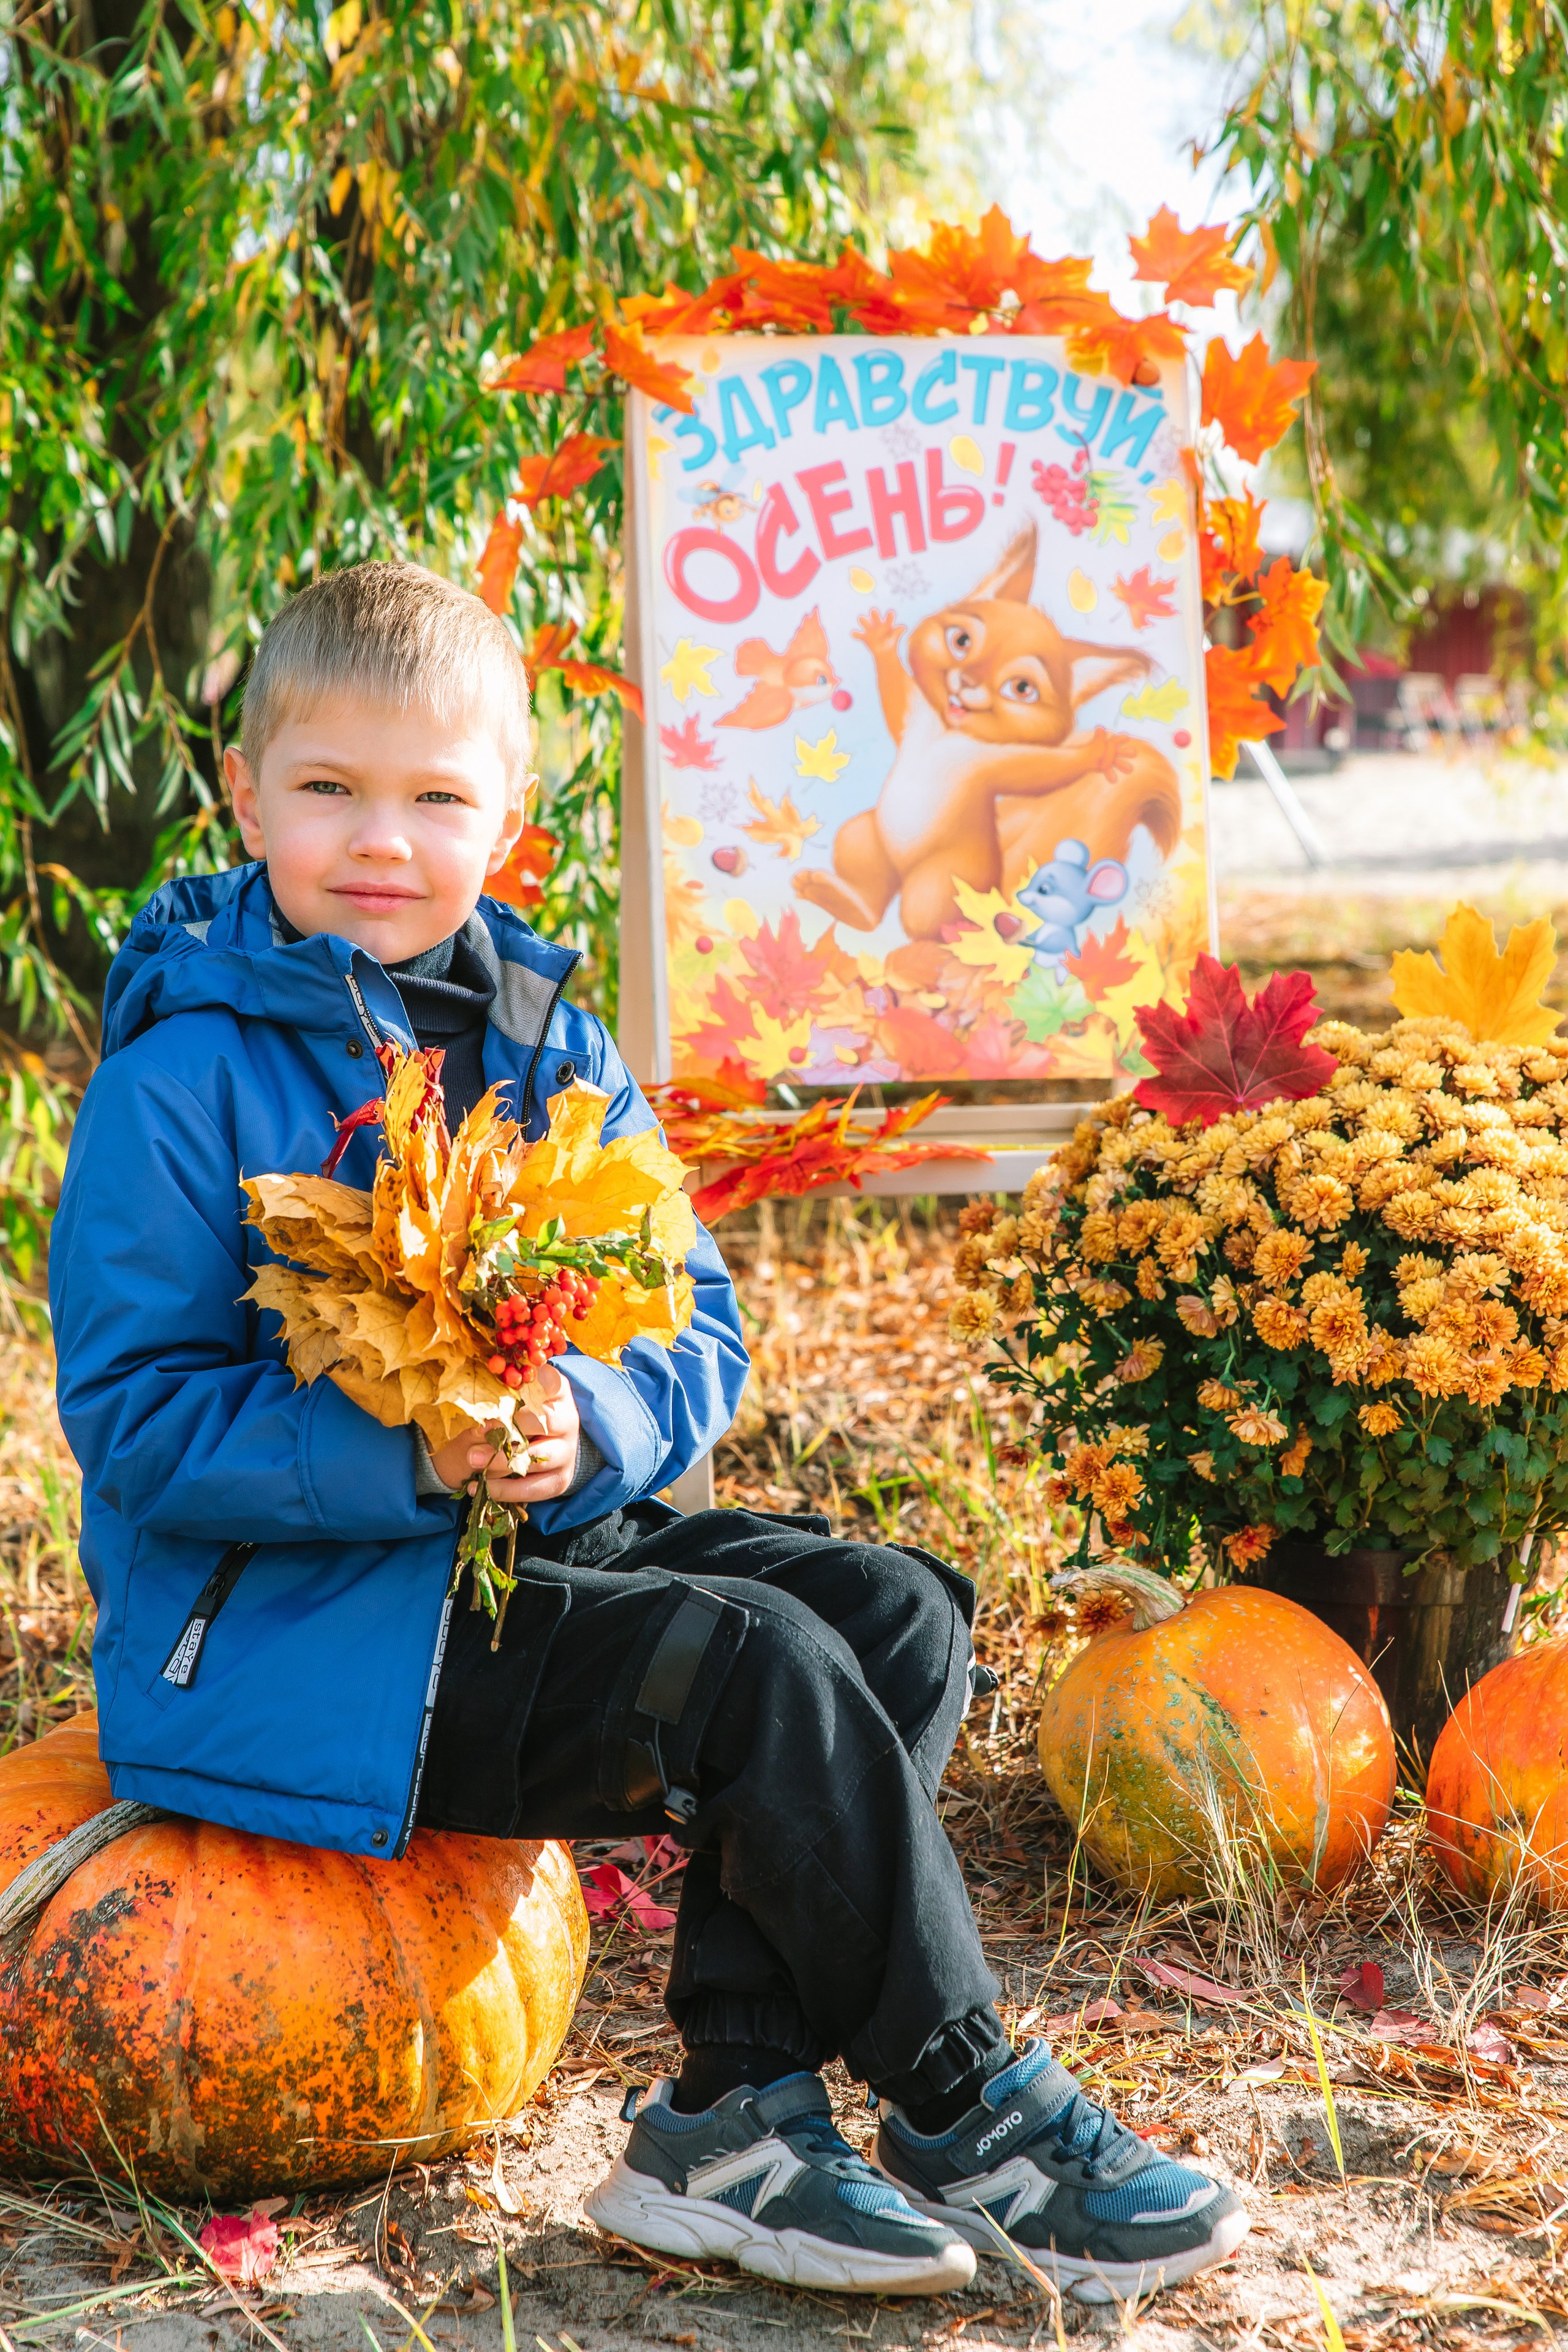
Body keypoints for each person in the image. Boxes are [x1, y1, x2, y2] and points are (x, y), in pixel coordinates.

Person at [51, 562, 1247, 2304]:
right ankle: (964, 2095)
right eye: (329, 791)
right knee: (746, 1667)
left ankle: (732, 2113)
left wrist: (584, 1421)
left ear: (508, 819)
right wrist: (412, 1456)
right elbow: (140, 1423)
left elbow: (693, 1324)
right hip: (299, 1631)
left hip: (528, 1546)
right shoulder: (183, 1081)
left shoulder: (549, 1045)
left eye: (435, 799)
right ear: (246, 796)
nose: (381, 841)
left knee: (897, 1608)